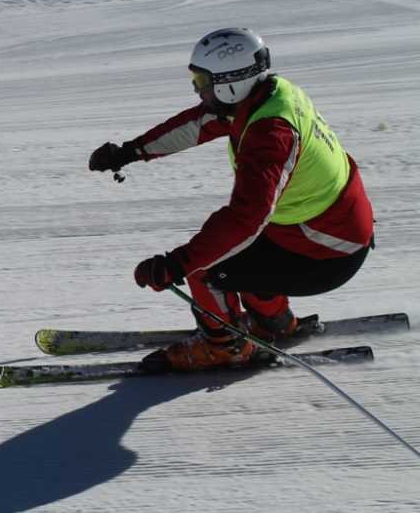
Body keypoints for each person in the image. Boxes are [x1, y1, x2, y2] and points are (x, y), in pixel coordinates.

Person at [88, 27, 374, 371]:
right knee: (236, 248)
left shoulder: (271, 133)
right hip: (325, 228)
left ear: (231, 82)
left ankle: (224, 346)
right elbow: (198, 124)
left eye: (202, 81)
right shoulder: (266, 95)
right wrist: (131, 152)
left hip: (327, 248)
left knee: (207, 265)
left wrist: (177, 264)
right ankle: (275, 323)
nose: (197, 89)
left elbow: (246, 218)